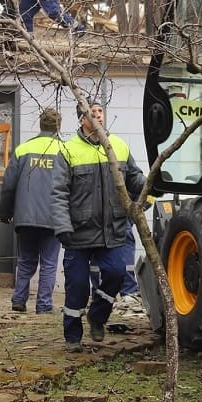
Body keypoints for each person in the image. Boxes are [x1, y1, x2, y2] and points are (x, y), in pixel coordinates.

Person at [53, 103, 146, 350]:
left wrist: (149, 193)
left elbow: (136, 180)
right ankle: (72, 337)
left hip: (112, 230)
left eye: (99, 111)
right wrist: (62, 227)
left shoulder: (119, 146)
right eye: (90, 113)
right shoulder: (68, 150)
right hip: (78, 232)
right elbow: (58, 194)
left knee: (116, 274)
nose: (96, 116)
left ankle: (98, 316)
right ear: (81, 119)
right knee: (78, 286)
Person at [0, 107, 65, 314]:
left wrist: (5, 212)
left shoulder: (23, 149)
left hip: (25, 217)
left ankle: (19, 301)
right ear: (58, 126)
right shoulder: (65, 150)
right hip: (53, 217)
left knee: (26, 260)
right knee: (49, 263)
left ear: (40, 124)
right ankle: (44, 305)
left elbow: (8, 184)